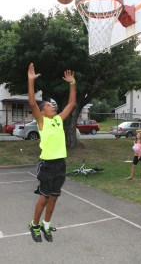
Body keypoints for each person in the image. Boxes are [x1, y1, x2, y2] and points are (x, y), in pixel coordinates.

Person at [28, 63, 76, 243]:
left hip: (60, 164)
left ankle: (46, 224)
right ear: (42, 111)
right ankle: (34, 224)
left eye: (52, 104)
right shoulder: (42, 122)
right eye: (49, 105)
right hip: (47, 164)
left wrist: (72, 83)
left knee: (54, 197)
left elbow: (71, 103)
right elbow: (32, 102)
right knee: (44, 196)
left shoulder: (57, 119)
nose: (52, 106)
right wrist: (30, 81)